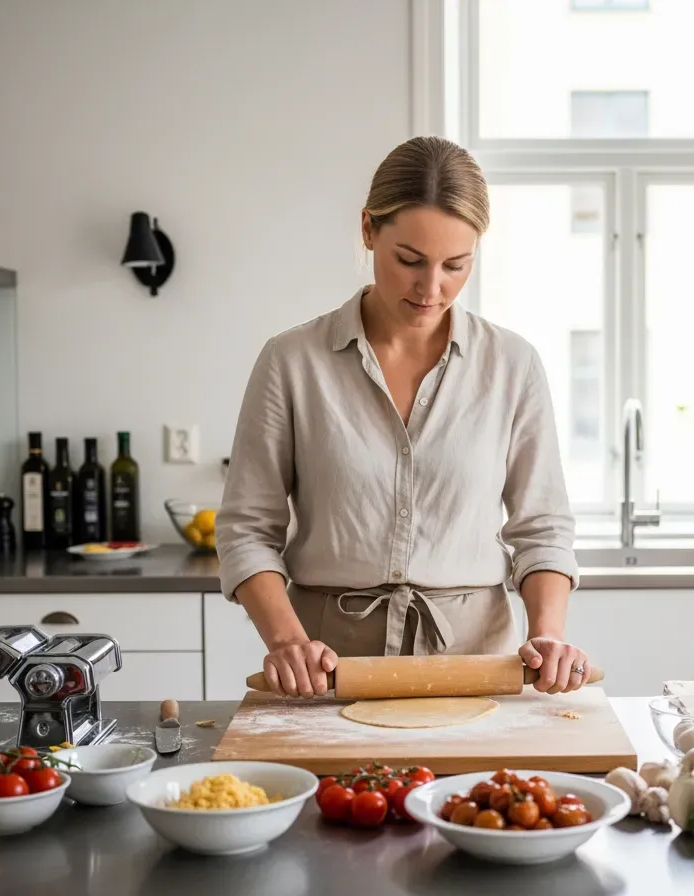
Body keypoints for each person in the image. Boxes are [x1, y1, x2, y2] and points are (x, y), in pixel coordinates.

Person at [216, 135, 589, 699]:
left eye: (455, 265)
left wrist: (550, 634)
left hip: (475, 666)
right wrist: (286, 641)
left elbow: (542, 529)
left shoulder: (512, 365)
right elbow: (246, 530)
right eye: (409, 261)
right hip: (327, 667)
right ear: (369, 230)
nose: (431, 288)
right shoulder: (291, 361)